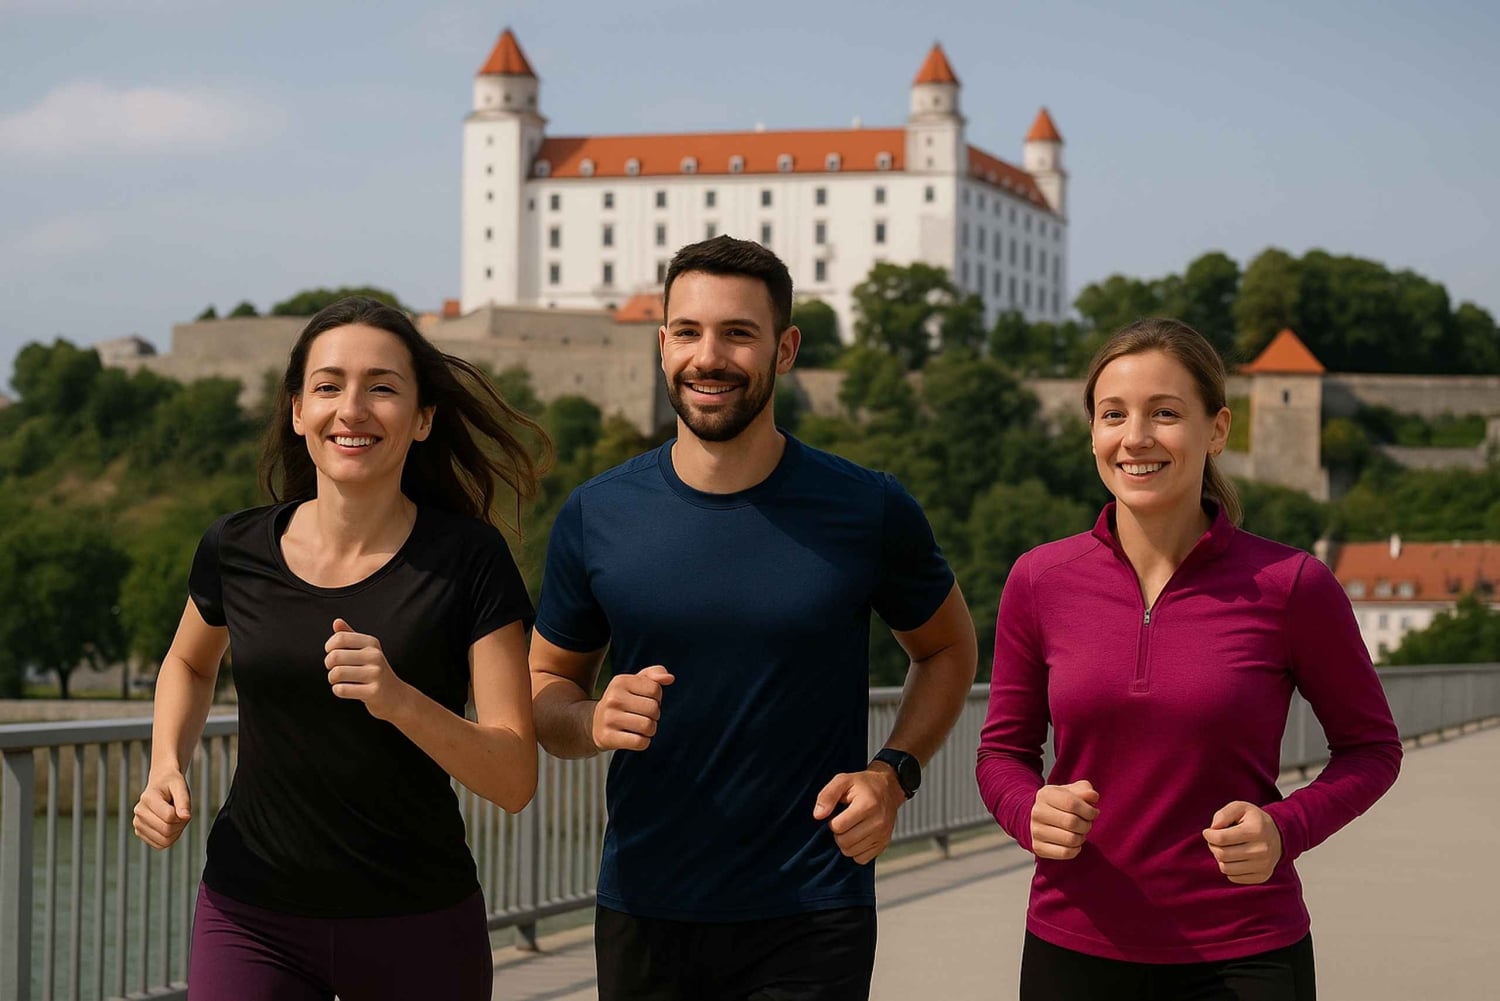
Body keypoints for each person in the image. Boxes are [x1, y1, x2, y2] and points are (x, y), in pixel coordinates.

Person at [529, 235, 978, 1001]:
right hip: (645, 904)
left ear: (785, 348)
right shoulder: (596, 513)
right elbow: (547, 686)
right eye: (689, 331)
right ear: (661, 343)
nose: (711, 356)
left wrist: (892, 774)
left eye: (739, 333)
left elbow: (948, 651)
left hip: (812, 908)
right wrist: (593, 717)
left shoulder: (866, 506)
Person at [132, 296, 548, 1001]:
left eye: (382, 387)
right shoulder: (235, 548)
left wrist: (400, 700)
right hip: (250, 913)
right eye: (328, 385)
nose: (351, 408)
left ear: (422, 419)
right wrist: (166, 762)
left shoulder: (470, 560)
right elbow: (190, 660)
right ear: (297, 411)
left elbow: (514, 778)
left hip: (419, 923)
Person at [976, 318, 1402, 1000]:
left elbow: (1373, 748)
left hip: (1246, 951)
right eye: (1113, 414)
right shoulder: (1038, 579)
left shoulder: (1293, 584)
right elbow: (1000, 752)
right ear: (1092, 433)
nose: (1135, 436)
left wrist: (1284, 827)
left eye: (1165, 413)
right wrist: (1029, 810)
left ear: (1218, 430)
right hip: (1072, 946)